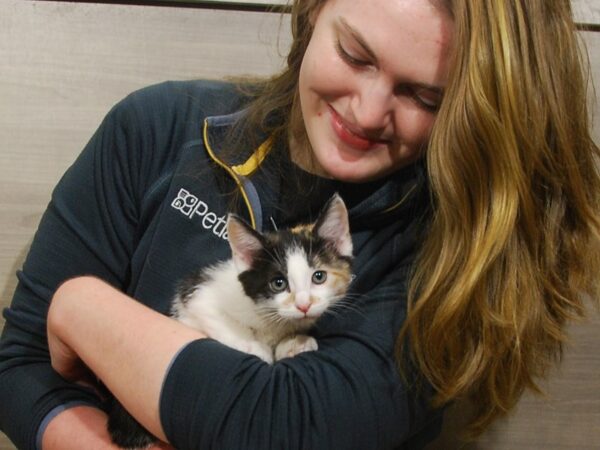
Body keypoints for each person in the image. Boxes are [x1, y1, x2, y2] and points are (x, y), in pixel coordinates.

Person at [0, 0, 598, 449]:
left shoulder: (451, 251)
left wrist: (80, 306)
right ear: (313, 10)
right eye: (356, 55)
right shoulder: (156, 129)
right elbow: (20, 365)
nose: (367, 113)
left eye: (423, 96)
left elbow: (280, 425)